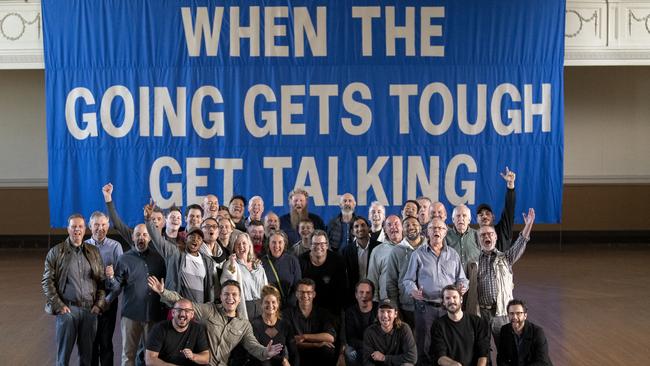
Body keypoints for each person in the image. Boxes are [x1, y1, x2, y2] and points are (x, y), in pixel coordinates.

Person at [148, 277, 284, 366]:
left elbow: (252, 346)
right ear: (221, 296)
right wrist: (163, 292)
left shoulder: (244, 324)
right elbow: (184, 304)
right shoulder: (209, 310)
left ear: (239, 298)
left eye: (234, 294)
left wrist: (266, 352)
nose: (230, 298)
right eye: (226, 294)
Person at [42, 213, 107, 366]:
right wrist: (59, 306)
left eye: (80, 226)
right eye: (73, 227)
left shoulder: (94, 252)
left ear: (85, 229)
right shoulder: (56, 252)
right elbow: (47, 282)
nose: (77, 230)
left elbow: (102, 282)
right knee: (63, 358)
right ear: (68, 229)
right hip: (68, 311)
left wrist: (99, 305)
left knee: (87, 358)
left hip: (90, 311)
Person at [403, 218, 468, 365]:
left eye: (440, 228)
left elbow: (462, 279)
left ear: (445, 232)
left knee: (448, 343)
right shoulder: (418, 254)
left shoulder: (453, 254)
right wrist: (413, 291)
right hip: (425, 308)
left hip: (448, 308)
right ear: (427, 233)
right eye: (433, 228)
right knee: (424, 345)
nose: (436, 231)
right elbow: (408, 280)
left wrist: (463, 286)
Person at [107, 224, 167, 366]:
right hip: (130, 316)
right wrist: (110, 278)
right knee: (128, 355)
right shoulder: (124, 259)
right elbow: (117, 287)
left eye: (145, 235)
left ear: (150, 237)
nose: (141, 238)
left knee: (152, 357)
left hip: (153, 315)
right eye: (138, 235)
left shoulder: (159, 259)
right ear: (133, 237)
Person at [476, 208, 536, 342]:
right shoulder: (473, 262)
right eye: (483, 235)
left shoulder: (506, 258)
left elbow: (521, 242)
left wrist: (528, 225)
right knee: (482, 351)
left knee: (505, 348)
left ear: (495, 237)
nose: (487, 237)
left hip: (501, 312)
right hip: (481, 313)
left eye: (490, 234)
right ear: (478, 239)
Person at [146, 202, 219, 304]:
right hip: (179, 309)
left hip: (199, 312)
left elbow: (210, 288)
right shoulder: (175, 253)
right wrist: (148, 220)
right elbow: (157, 239)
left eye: (199, 238)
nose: (195, 240)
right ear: (185, 239)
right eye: (192, 237)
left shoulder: (207, 261)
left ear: (202, 242)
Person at [85, 211, 123, 366]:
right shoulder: (83, 246)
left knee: (106, 342)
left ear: (108, 226)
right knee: (90, 342)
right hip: (87, 300)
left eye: (103, 225)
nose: (100, 228)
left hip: (108, 300)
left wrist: (107, 301)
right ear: (90, 226)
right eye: (96, 224)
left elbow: (120, 281)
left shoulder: (116, 247)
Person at [430, 285, 490, 366]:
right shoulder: (438, 325)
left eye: (454, 297)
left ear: (461, 299)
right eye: (447, 298)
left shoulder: (476, 322)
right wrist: (454, 364)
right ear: (443, 302)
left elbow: (483, 353)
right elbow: (439, 356)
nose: (451, 301)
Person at [284, 278, 338, 366]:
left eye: (309, 292)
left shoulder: (323, 313)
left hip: (318, 353)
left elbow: (330, 337)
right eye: (302, 292)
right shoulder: (287, 314)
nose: (305, 296)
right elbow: (289, 341)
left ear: (314, 294)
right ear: (296, 294)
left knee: (328, 349)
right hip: (296, 352)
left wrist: (304, 337)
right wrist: (315, 344)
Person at [385, 216, 425, 329]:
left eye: (414, 224)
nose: (411, 227)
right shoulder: (396, 251)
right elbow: (391, 282)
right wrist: (396, 308)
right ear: (402, 229)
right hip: (406, 308)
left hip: (429, 306)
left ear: (420, 227)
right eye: (407, 225)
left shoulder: (430, 247)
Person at [145, 299, 210, 365]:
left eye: (187, 311)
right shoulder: (159, 328)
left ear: (192, 314)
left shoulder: (198, 329)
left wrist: (193, 356)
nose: (182, 314)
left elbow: (206, 359)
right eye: (179, 310)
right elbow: (150, 360)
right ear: (173, 313)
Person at [298, 230, 348, 316]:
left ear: (327, 245)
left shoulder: (337, 261)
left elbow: (342, 290)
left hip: (332, 308)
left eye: (322, 244)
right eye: (315, 244)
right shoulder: (301, 261)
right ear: (310, 246)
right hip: (308, 309)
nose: (318, 247)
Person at [248, 286, 299, 366]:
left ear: (278, 303)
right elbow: (253, 355)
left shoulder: (285, 324)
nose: (270, 305)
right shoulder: (254, 324)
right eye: (267, 302)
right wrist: (282, 359)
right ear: (261, 304)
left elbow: (294, 352)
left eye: (273, 302)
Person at [221, 233, 269, 319]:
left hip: (261, 304)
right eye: (238, 244)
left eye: (244, 243)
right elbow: (227, 282)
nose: (241, 246)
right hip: (245, 305)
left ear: (249, 246)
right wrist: (232, 264)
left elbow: (266, 287)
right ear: (234, 248)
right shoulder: (231, 264)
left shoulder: (257, 265)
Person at [497, 299, 553, 366]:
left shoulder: (537, 332)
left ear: (525, 316)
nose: (514, 317)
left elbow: (542, 361)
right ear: (508, 315)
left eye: (518, 313)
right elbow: (501, 358)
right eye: (511, 313)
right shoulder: (504, 330)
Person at [362, 299, 417, 366]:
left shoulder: (404, 329)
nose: (385, 315)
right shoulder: (369, 332)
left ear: (395, 314)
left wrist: (384, 358)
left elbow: (412, 357)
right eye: (382, 311)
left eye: (389, 311)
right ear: (377, 314)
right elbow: (367, 361)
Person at [476, 167, 517, 251]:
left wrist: (510, 186)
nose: (484, 216)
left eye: (487, 213)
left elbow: (509, 208)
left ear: (493, 217)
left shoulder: (503, 230)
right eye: (481, 214)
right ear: (477, 219)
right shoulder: (472, 237)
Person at [342, 217, 380, 302]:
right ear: (352, 231)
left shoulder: (379, 247)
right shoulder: (346, 251)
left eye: (363, 225)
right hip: (355, 295)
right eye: (356, 226)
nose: (360, 229)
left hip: (377, 293)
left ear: (369, 228)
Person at [262, 230, 302, 308]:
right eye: (273, 242)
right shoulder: (262, 263)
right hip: (270, 307)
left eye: (280, 242)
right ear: (268, 244)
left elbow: (298, 285)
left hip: (290, 308)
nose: (277, 246)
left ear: (284, 244)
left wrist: (289, 303)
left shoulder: (292, 260)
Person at [367, 215, 403, 301]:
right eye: (389, 225)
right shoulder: (377, 251)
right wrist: (375, 303)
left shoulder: (411, 248)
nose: (393, 227)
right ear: (385, 230)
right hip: (386, 303)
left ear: (402, 227)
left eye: (396, 224)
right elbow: (372, 279)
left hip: (408, 303)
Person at [343, 279, 378, 366]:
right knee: (349, 353)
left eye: (368, 292)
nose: (364, 295)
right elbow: (350, 338)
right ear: (356, 295)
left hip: (376, 346)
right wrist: (366, 346)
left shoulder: (379, 309)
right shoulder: (350, 312)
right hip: (358, 345)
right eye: (361, 292)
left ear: (373, 295)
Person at [446, 204, 480, 268]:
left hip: (473, 277)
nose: (461, 218)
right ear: (453, 220)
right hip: (452, 277)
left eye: (464, 216)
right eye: (458, 216)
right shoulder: (445, 237)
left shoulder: (478, 235)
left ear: (469, 220)